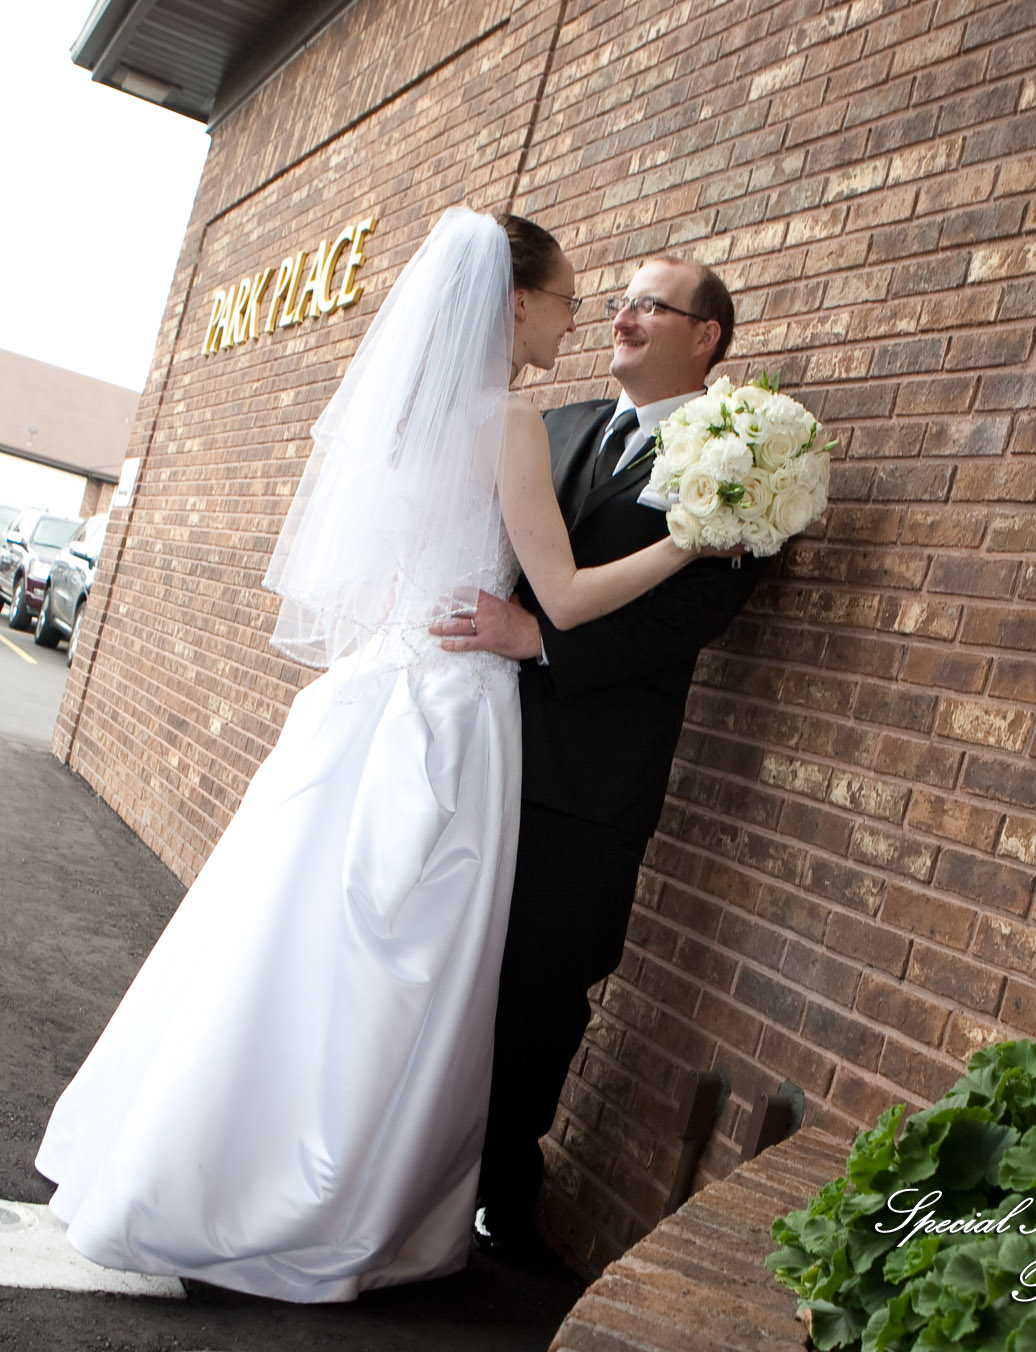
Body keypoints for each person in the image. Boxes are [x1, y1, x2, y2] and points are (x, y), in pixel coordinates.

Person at [34, 207, 721, 1303]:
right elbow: (568, 594)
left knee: (292, 941)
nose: (578, 319)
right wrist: (696, 534)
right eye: (569, 299)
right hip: (452, 713)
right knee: (397, 970)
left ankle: (189, 1160)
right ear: (514, 302)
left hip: (365, 697)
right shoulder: (510, 420)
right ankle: (330, 1197)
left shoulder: (406, 409)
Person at [430, 255, 762, 1257]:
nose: (619, 316)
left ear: (704, 336)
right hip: (473, 743)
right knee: (442, 966)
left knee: (542, 983)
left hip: (591, 782)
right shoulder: (554, 424)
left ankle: (500, 1189)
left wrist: (535, 637)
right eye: (615, 301)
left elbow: (699, 609)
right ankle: (414, 1165)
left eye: (648, 305)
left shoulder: (745, 456)